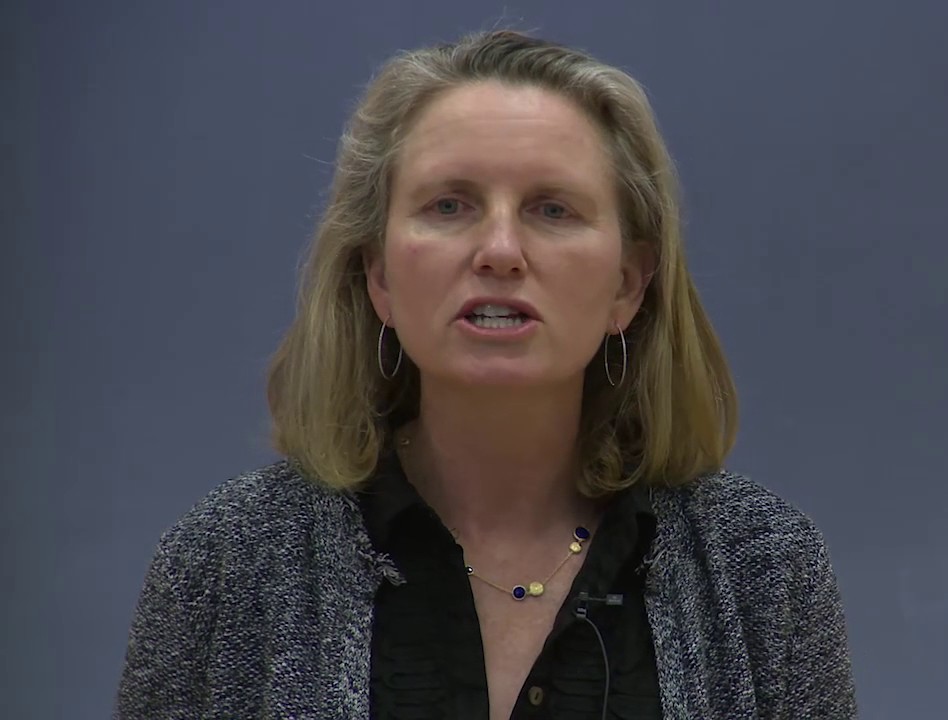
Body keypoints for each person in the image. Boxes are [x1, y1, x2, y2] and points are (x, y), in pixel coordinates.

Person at [113, 29, 856, 720]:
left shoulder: (762, 568)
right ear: (379, 277)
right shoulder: (225, 562)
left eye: (552, 209)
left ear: (628, 286)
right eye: (449, 205)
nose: (500, 250)